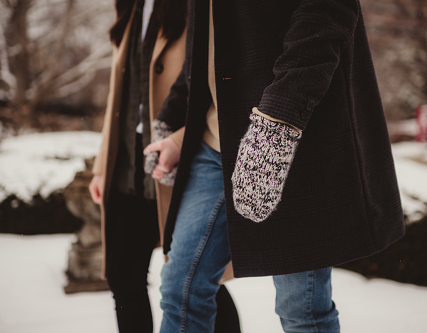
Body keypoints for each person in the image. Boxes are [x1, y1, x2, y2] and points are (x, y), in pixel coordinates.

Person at [144, 0, 406, 332]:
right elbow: (205, 45)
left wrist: (277, 127)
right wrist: (175, 127)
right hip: (212, 148)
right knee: (181, 290)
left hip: (292, 146)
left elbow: (325, 16)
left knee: (301, 309)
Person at [88, 0, 240, 332]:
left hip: (184, 164)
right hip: (127, 167)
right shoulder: (130, 8)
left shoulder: (197, 7)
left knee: (195, 282)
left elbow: (219, 83)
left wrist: (183, 139)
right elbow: (120, 94)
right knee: (123, 277)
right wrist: (102, 166)